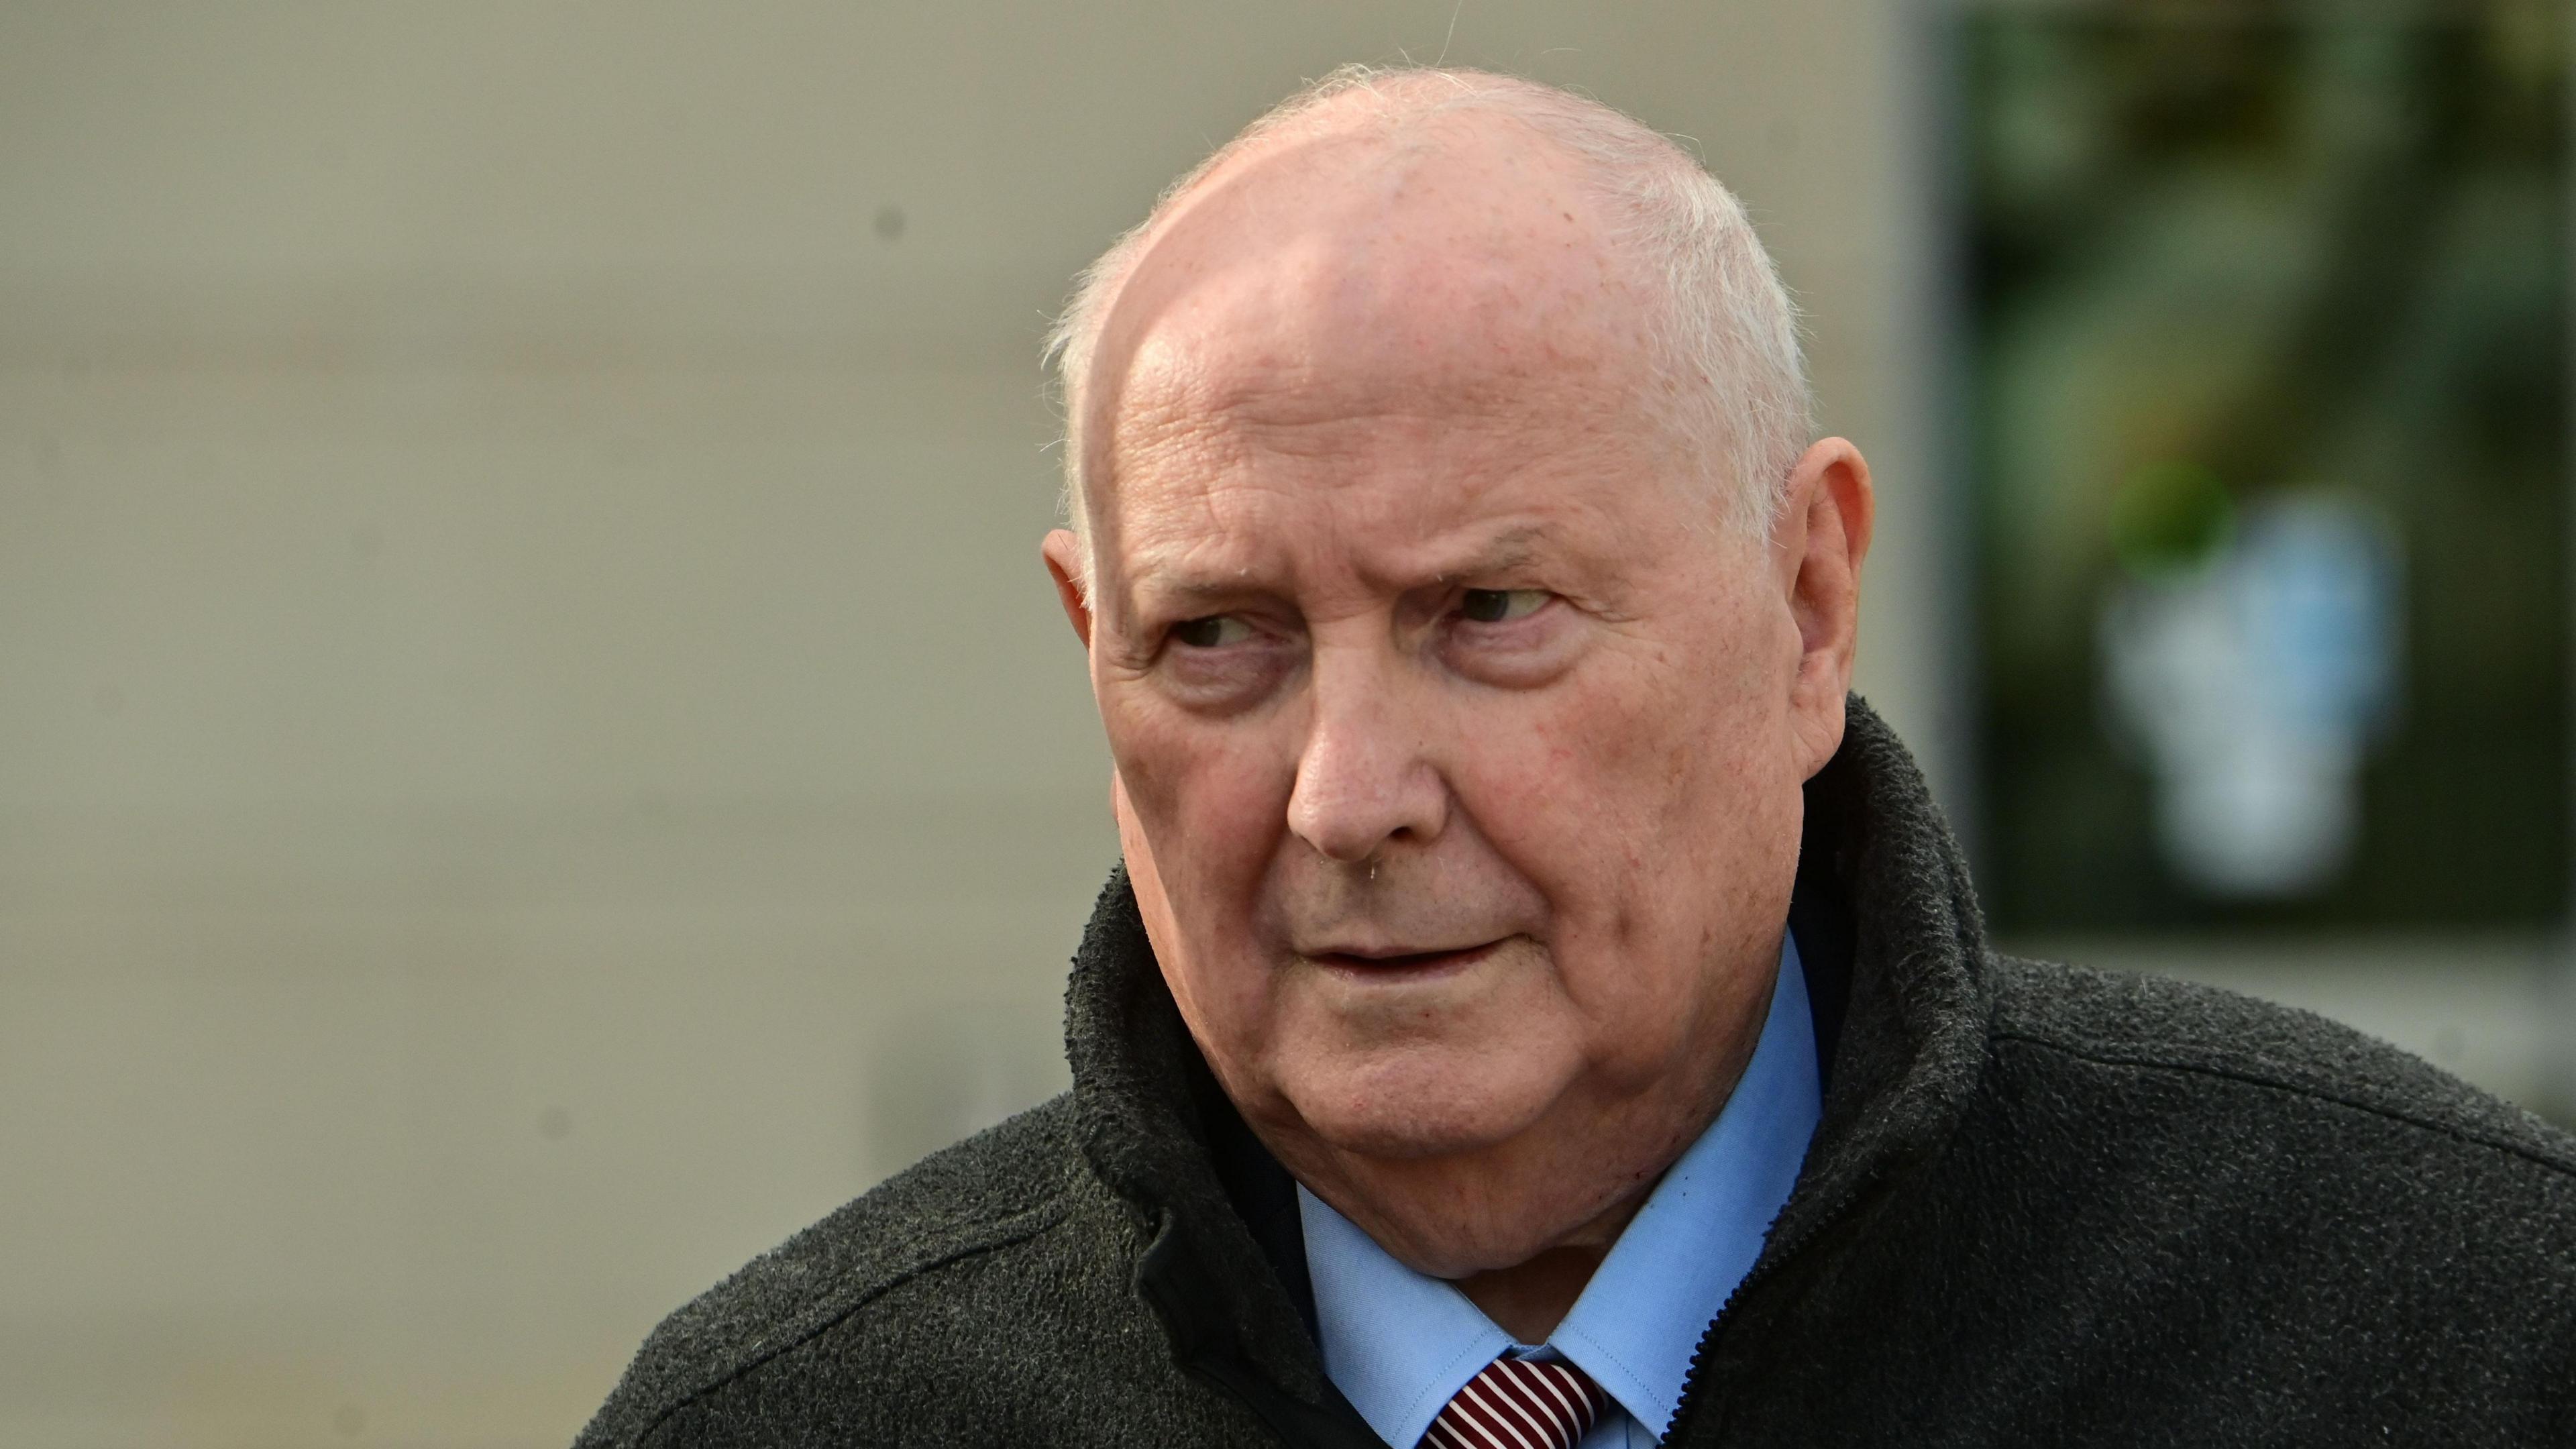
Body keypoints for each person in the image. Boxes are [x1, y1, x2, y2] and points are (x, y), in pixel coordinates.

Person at [576, 66, 2576, 1448]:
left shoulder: (2439, 1329)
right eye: (1219, 640)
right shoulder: (793, 1422)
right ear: (1089, 646)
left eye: (1490, 612)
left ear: (1807, 606)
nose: (1348, 795)